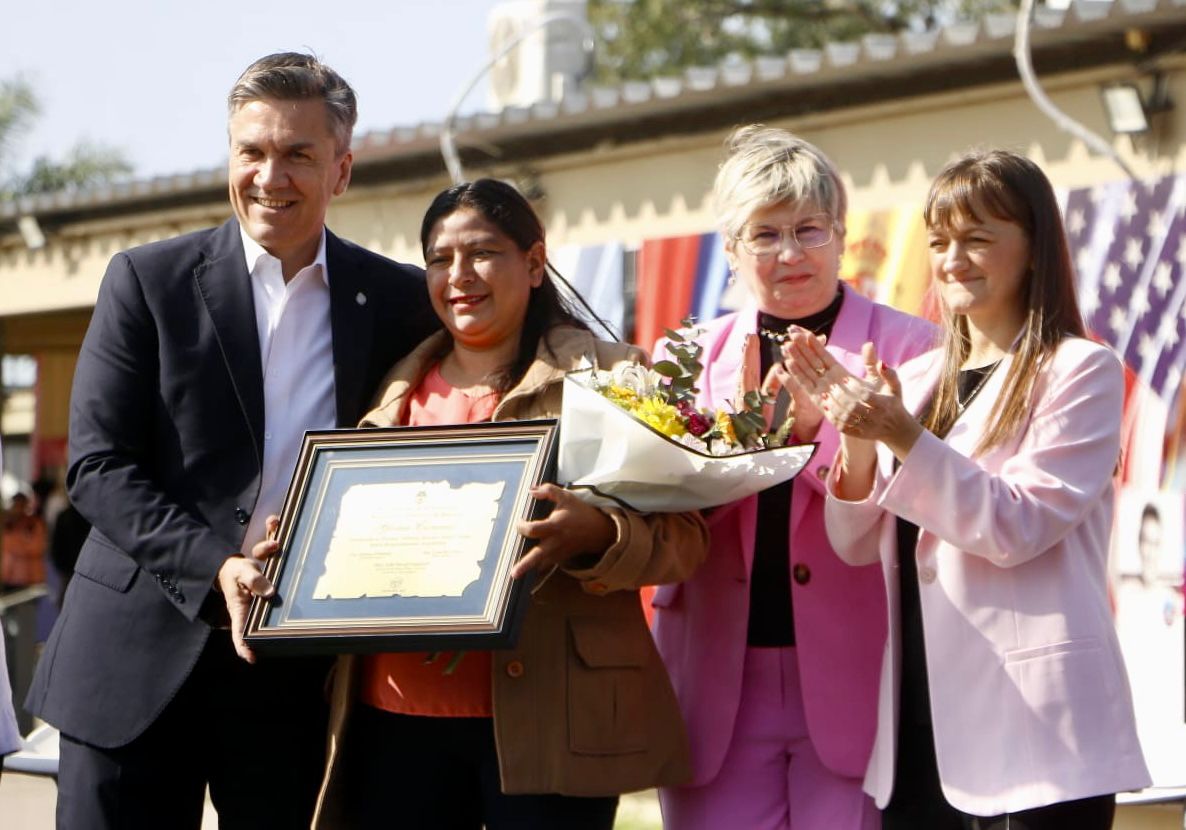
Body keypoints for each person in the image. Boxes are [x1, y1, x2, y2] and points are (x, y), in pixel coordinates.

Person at [25, 52, 437, 829]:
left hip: (292, 676)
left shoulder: (396, 302)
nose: (269, 175)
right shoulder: (147, 281)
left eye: (297, 154)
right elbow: (98, 467)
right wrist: (217, 566)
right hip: (132, 664)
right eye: (251, 151)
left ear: (341, 171)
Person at [279, 178, 709, 829]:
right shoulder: (386, 391)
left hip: (550, 722)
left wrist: (597, 533)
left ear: (535, 264)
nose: (459, 276)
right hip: (392, 720)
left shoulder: (614, 379)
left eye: (482, 253)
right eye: (439, 259)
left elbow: (686, 538)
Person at [782, 149, 1151, 828]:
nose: (953, 259)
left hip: (1039, 731)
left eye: (978, 238)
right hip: (921, 721)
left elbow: (1015, 528)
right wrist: (859, 433)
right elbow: (853, 543)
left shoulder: (1080, 370)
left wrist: (900, 435)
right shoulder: (917, 377)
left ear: (1036, 248)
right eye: (940, 242)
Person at [650, 125, 935, 830]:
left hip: (861, 671)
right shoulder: (685, 354)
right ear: (732, 247)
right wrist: (750, 445)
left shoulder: (913, 347)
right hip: (714, 675)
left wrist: (814, 437)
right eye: (765, 234)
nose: (789, 254)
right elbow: (658, 505)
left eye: (809, 230)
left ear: (841, 235)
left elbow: (925, 502)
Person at [1, 491, 47, 592]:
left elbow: (37, 547)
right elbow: (6, 546)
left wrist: (17, 547)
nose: (18, 509)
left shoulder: (34, 524)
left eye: (21, 505)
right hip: (8, 578)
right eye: (15, 505)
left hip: (29, 579)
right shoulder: (7, 524)